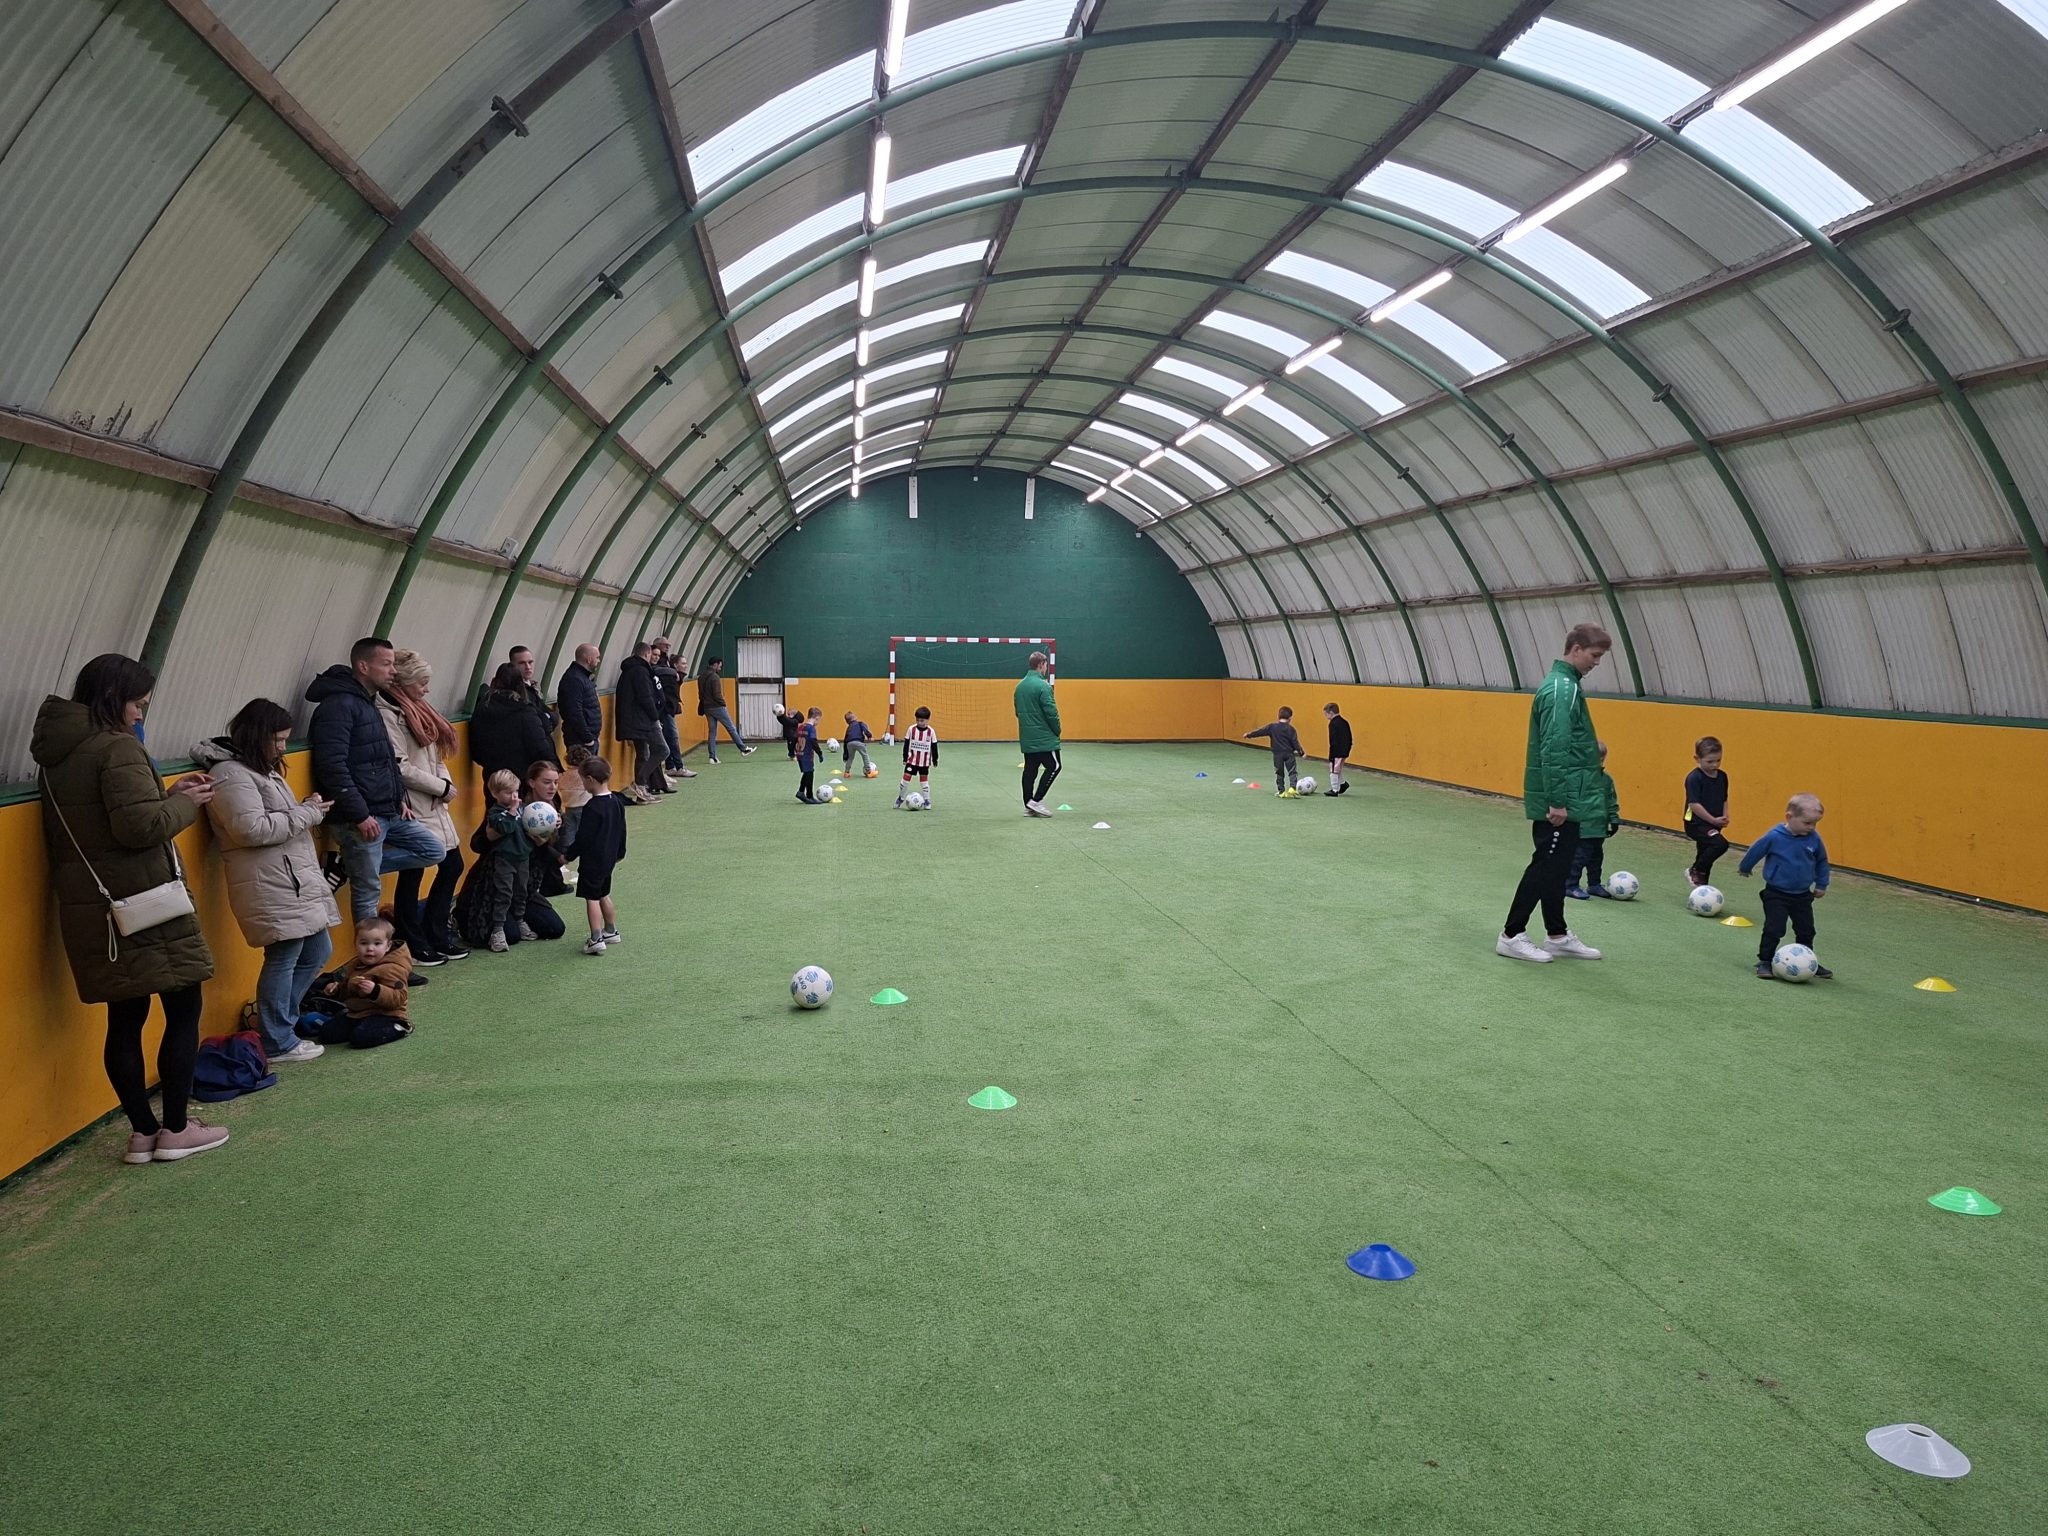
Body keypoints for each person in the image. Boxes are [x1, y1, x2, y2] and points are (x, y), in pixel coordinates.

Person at [33, 655, 229, 1164]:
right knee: (183, 1008)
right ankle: (177, 1130)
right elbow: (138, 830)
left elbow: (108, 820)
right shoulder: (118, 747)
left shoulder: (56, 756)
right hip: (147, 902)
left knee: (125, 1018)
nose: (140, 714)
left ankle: (142, 1133)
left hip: (96, 909)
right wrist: (188, 804)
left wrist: (168, 795)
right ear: (114, 698)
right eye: (137, 703)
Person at [195, 699, 340, 1065]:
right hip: (268, 880)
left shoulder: (257, 769)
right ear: (257, 735)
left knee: (317, 950)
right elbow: (250, 829)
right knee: (284, 955)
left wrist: (304, 809)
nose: (282, 747)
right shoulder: (231, 774)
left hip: (287, 876)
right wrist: (307, 812)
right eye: (277, 739)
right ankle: (276, 1040)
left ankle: (279, 1026)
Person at [307, 637, 443, 927]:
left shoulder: (367, 703)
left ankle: (350, 866)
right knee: (368, 892)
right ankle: (370, 964)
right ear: (363, 666)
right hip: (360, 817)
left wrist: (400, 800)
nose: (393, 671)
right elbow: (332, 767)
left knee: (434, 850)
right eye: (387, 664)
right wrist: (360, 815)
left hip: (388, 811)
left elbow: (384, 760)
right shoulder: (339, 706)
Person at [1496, 623, 1610, 965]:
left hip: (1569, 797)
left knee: (1557, 868)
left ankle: (1556, 934)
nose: (1596, 663)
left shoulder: (1567, 686)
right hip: (1561, 799)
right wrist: (1557, 800)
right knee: (1545, 865)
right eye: (1594, 656)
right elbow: (1555, 747)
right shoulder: (1562, 690)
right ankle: (1512, 934)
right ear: (1575, 649)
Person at [380, 649, 467, 964]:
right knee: (413, 871)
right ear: (404, 683)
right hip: (412, 804)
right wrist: (440, 786)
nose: (427, 689)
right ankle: (414, 941)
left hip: (435, 801)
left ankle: (435, 934)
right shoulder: (389, 714)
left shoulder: (419, 710)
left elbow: (435, 755)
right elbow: (399, 765)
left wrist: (445, 784)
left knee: (450, 865)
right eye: (422, 683)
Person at [1739, 794, 1834, 980]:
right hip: (1776, 893)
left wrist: (1821, 884)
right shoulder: (1775, 837)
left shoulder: (1814, 839)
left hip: (1802, 895)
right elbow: (1756, 851)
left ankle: (1808, 962)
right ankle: (1765, 961)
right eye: (1807, 823)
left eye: (1815, 824)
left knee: (1806, 930)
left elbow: (1822, 862)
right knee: (1774, 928)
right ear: (1789, 817)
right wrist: (1745, 867)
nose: (1812, 828)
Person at [565, 755, 627, 955]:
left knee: (591, 897)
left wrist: (568, 856)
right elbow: (622, 829)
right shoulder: (616, 801)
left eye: (583, 779)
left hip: (593, 860)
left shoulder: (592, 807)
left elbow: (583, 837)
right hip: (609, 858)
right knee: (603, 893)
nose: (582, 783)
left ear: (590, 779)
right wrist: (620, 852)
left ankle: (596, 937)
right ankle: (611, 930)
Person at [319, 916, 412, 1048]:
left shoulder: (393, 968)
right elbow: (348, 990)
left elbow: (399, 998)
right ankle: (357, 1028)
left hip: (386, 1015)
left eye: (377, 943)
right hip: (357, 1014)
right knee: (326, 1033)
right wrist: (336, 989)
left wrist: (375, 991)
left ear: (388, 946)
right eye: (364, 943)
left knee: (361, 1038)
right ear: (355, 944)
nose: (370, 948)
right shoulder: (355, 965)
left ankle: (401, 1027)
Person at [469, 661, 558, 790]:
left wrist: (493, 767)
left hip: (494, 778)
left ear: (494, 681)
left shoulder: (481, 710)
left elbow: (476, 748)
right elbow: (538, 745)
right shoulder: (525, 711)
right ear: (520, 685)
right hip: (521, 779)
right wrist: (553, 764)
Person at [480, 769, 535, 953]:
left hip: (522, 857)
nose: (513, 797)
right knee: (504, 893)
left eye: (516, 792)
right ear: (495, 794)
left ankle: (519, 920)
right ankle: (497, 930)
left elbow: (531, 824)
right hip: (505, 859)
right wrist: (511, 812)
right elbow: (506, 827)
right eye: (508, 793)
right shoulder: (496, 813)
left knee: (521, 890)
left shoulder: (522, 808)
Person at [1567, 741, 1622, 900]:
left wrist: (1614, 818)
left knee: (1596, 857)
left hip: (1599, 827)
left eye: (1600, 759)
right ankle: (1570, 885)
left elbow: (1611, 800)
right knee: (1579, 857)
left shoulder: (1606, 780)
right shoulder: (1576, 779)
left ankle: (1594, 884)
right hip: (1583, 827)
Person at [616, 641, 669, 802]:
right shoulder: (641, 671)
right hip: (643, 720)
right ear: (647, 654)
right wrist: (655, 717)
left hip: (631, 719)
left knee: (643, 754)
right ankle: (639, 782)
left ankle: (642, 791)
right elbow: (645, 697)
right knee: (662, 750)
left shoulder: (628, 670)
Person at [1014, 651, 1062, 816]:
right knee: (1055, 766)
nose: (1047, 668)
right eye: (1046, 665)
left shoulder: (1019, 687)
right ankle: (1036, 801)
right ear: (1041, 665)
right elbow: (1051, 712)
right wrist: (1057, 730)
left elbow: (1017, 712)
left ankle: (1029, 805)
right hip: (1045, 739)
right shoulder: (1044, 686)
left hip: (1027, 738)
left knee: (1030, 770)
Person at [1684, 736, 1731, 889]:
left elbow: (1724, 798)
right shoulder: (1694, 778)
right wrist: (1712, 820)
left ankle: (1701, 889)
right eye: (1710, 762)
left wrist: (1724, 816)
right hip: (1696, 824)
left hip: (1714, 823)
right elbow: (1694, 804)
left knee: (1706, 854)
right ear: (1697, 759)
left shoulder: (1722, 776)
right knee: (1720, 844)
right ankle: (1695, 869)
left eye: (1718, 760)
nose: (1715, 765)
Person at [696, 655, 753, 762]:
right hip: (717, 707)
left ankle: (712, 757)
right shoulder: (715, 677)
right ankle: (743, 748)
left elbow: (700, 694)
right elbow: (717, 694)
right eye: (720, 666)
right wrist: (723, 703)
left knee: (712, 732)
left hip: (707, 707)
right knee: (731, 728)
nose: (720, 668)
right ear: (715, 664)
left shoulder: (701, 677)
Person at [652, 639, 691, 781]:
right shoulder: (660, 667)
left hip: (668, 707)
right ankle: (677, 767)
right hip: (665, 708)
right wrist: (672, 672)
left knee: (669, 737)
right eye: (664, 644)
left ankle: (671, 767)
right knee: (672, 737)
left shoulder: (666, 664)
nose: (668, 645)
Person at [556, 642, 604, 758]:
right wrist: (588, 738)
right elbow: (574, 712)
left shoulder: (583, 678)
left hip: (589, 738)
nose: (598, 661)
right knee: (583, 773)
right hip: (581, 741)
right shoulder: (574, 680)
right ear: (588, 659)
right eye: (597, 658)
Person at [1245, 707, 1305, 797]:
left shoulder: (1272, 727)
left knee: (1279, 772)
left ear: (1278, 716)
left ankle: (1281, 791)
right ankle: (1292, 788)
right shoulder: (1291, 729)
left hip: (1277, 754)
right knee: (1292, 771)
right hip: (1289, 753)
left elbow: (1260, 732)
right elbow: (1295, 742)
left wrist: (1249, 735)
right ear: (1290, 718)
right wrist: (1301, 753)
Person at [897, 706, 938, 808]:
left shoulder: (931, 732)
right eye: (917, 720)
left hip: (924, 762)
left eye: (922, 720)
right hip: (912, 761)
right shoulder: (911, 729)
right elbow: (906, 744)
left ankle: (927, 801)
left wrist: (935, 759)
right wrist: (905, 757)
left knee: (924, 781)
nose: (919, 722)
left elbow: (934, 746)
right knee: (905, 780)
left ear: (928, 720)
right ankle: (900, 798)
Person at [795, 707, 824, 804]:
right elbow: (813, 741)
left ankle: (801, 791)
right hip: (807, 754)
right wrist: (819, 752)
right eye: (819, 720)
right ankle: (810, 796)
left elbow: (795, 739)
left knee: (807, 772)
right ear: (816, 718)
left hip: (800, 753)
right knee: (810, 773)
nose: (818, 722)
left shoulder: (801, 727)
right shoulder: (811, 728)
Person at [1322, 703, 1352, 796]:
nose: (1326, 717)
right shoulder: (1344, 722)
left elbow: (1333, 740)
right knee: (1338, 769)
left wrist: (1332, 754)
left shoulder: (1333, 724)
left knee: (1333, 770)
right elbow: (1349, 737)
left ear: (1330, 713)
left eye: (1326, 714)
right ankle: (1343, 784)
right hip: (1345, 750)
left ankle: (1334, 789)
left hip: (1337, 751)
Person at [842, 712, 878, 778]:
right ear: (855, 717)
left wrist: (845, 754)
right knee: (865, 756)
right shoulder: (860, 723)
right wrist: (869, 736)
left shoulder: (849, 728)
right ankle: (869, 771)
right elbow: (865, 730)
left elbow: (845, 739)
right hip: (859, 743)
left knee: (850, 758)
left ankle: (846, 772)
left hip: (849, 743)